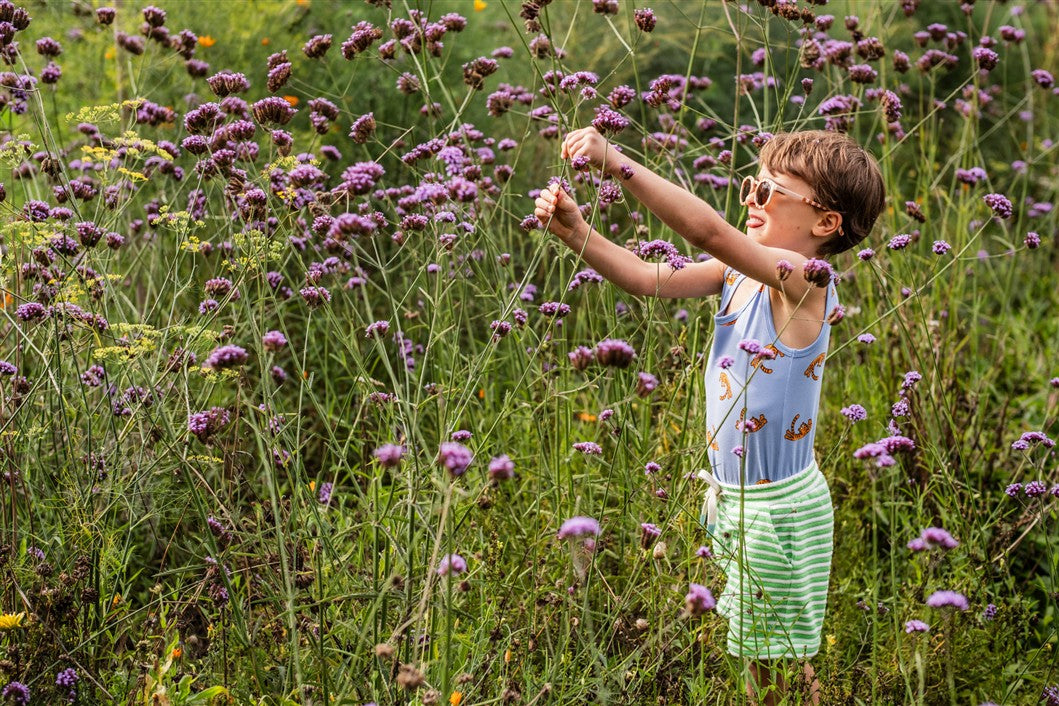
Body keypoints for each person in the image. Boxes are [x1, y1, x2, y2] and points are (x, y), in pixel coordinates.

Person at [533, 127, 885, 705]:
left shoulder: (805, 284)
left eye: (769, 192)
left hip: (779, 514)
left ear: (826, 224)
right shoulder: (737, 276)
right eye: (751, 185)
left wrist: (616, 161)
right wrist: (579, 233)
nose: (749, 199)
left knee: (772, 669)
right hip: (736, 502)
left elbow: (707, 231)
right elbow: (648, 279)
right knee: (770, 661)